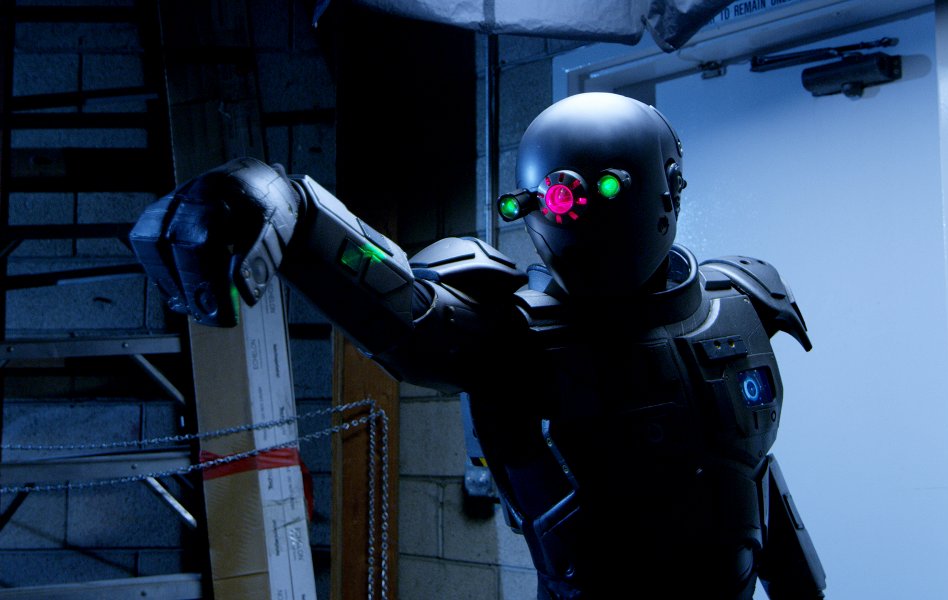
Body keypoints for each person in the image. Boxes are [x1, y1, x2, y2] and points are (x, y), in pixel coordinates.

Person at [131, 91, 825, 599]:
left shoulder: (742, 301)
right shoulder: (512, 332)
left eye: (596, 192)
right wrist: (291, 209)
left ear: (665, 189)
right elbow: (404, 310)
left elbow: (752, 471)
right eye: (549, 201)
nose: (567, 216)